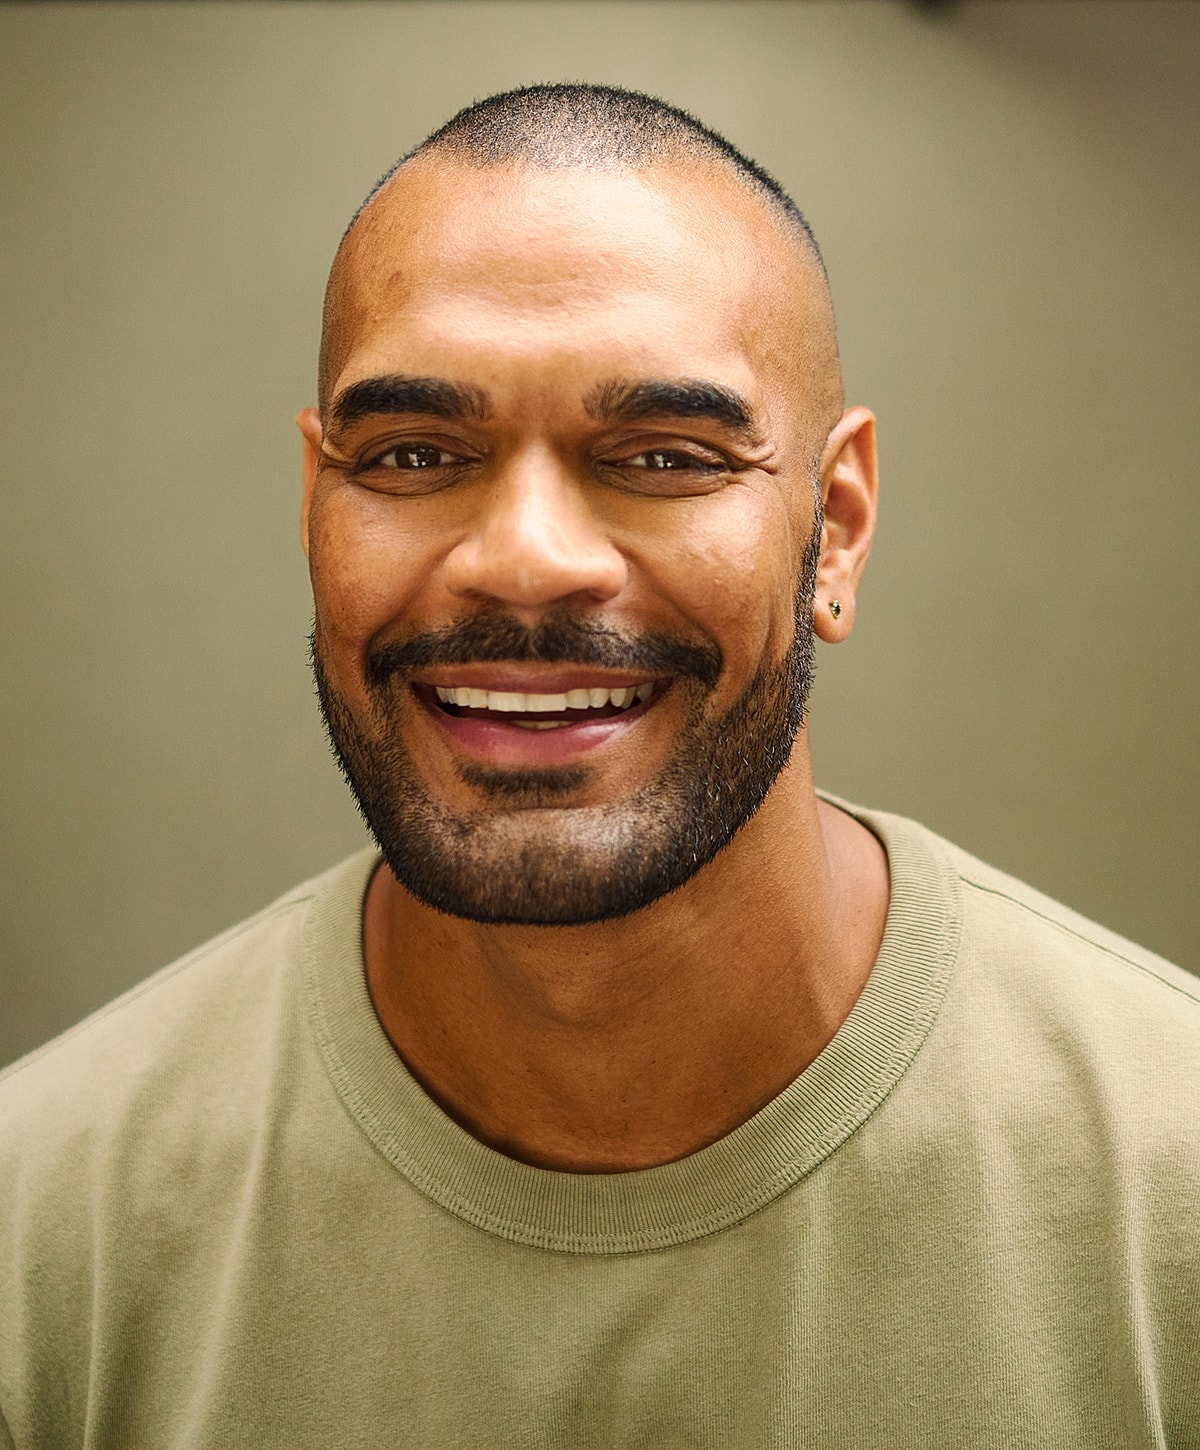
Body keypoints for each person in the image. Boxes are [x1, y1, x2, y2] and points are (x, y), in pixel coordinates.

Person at [1, 84, 1197, 1450]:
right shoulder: (43, 1234)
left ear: (838, 528)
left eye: (664, 457)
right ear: (313, 507)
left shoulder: (1173, 1189)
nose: (524, 556)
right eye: (410, 454)